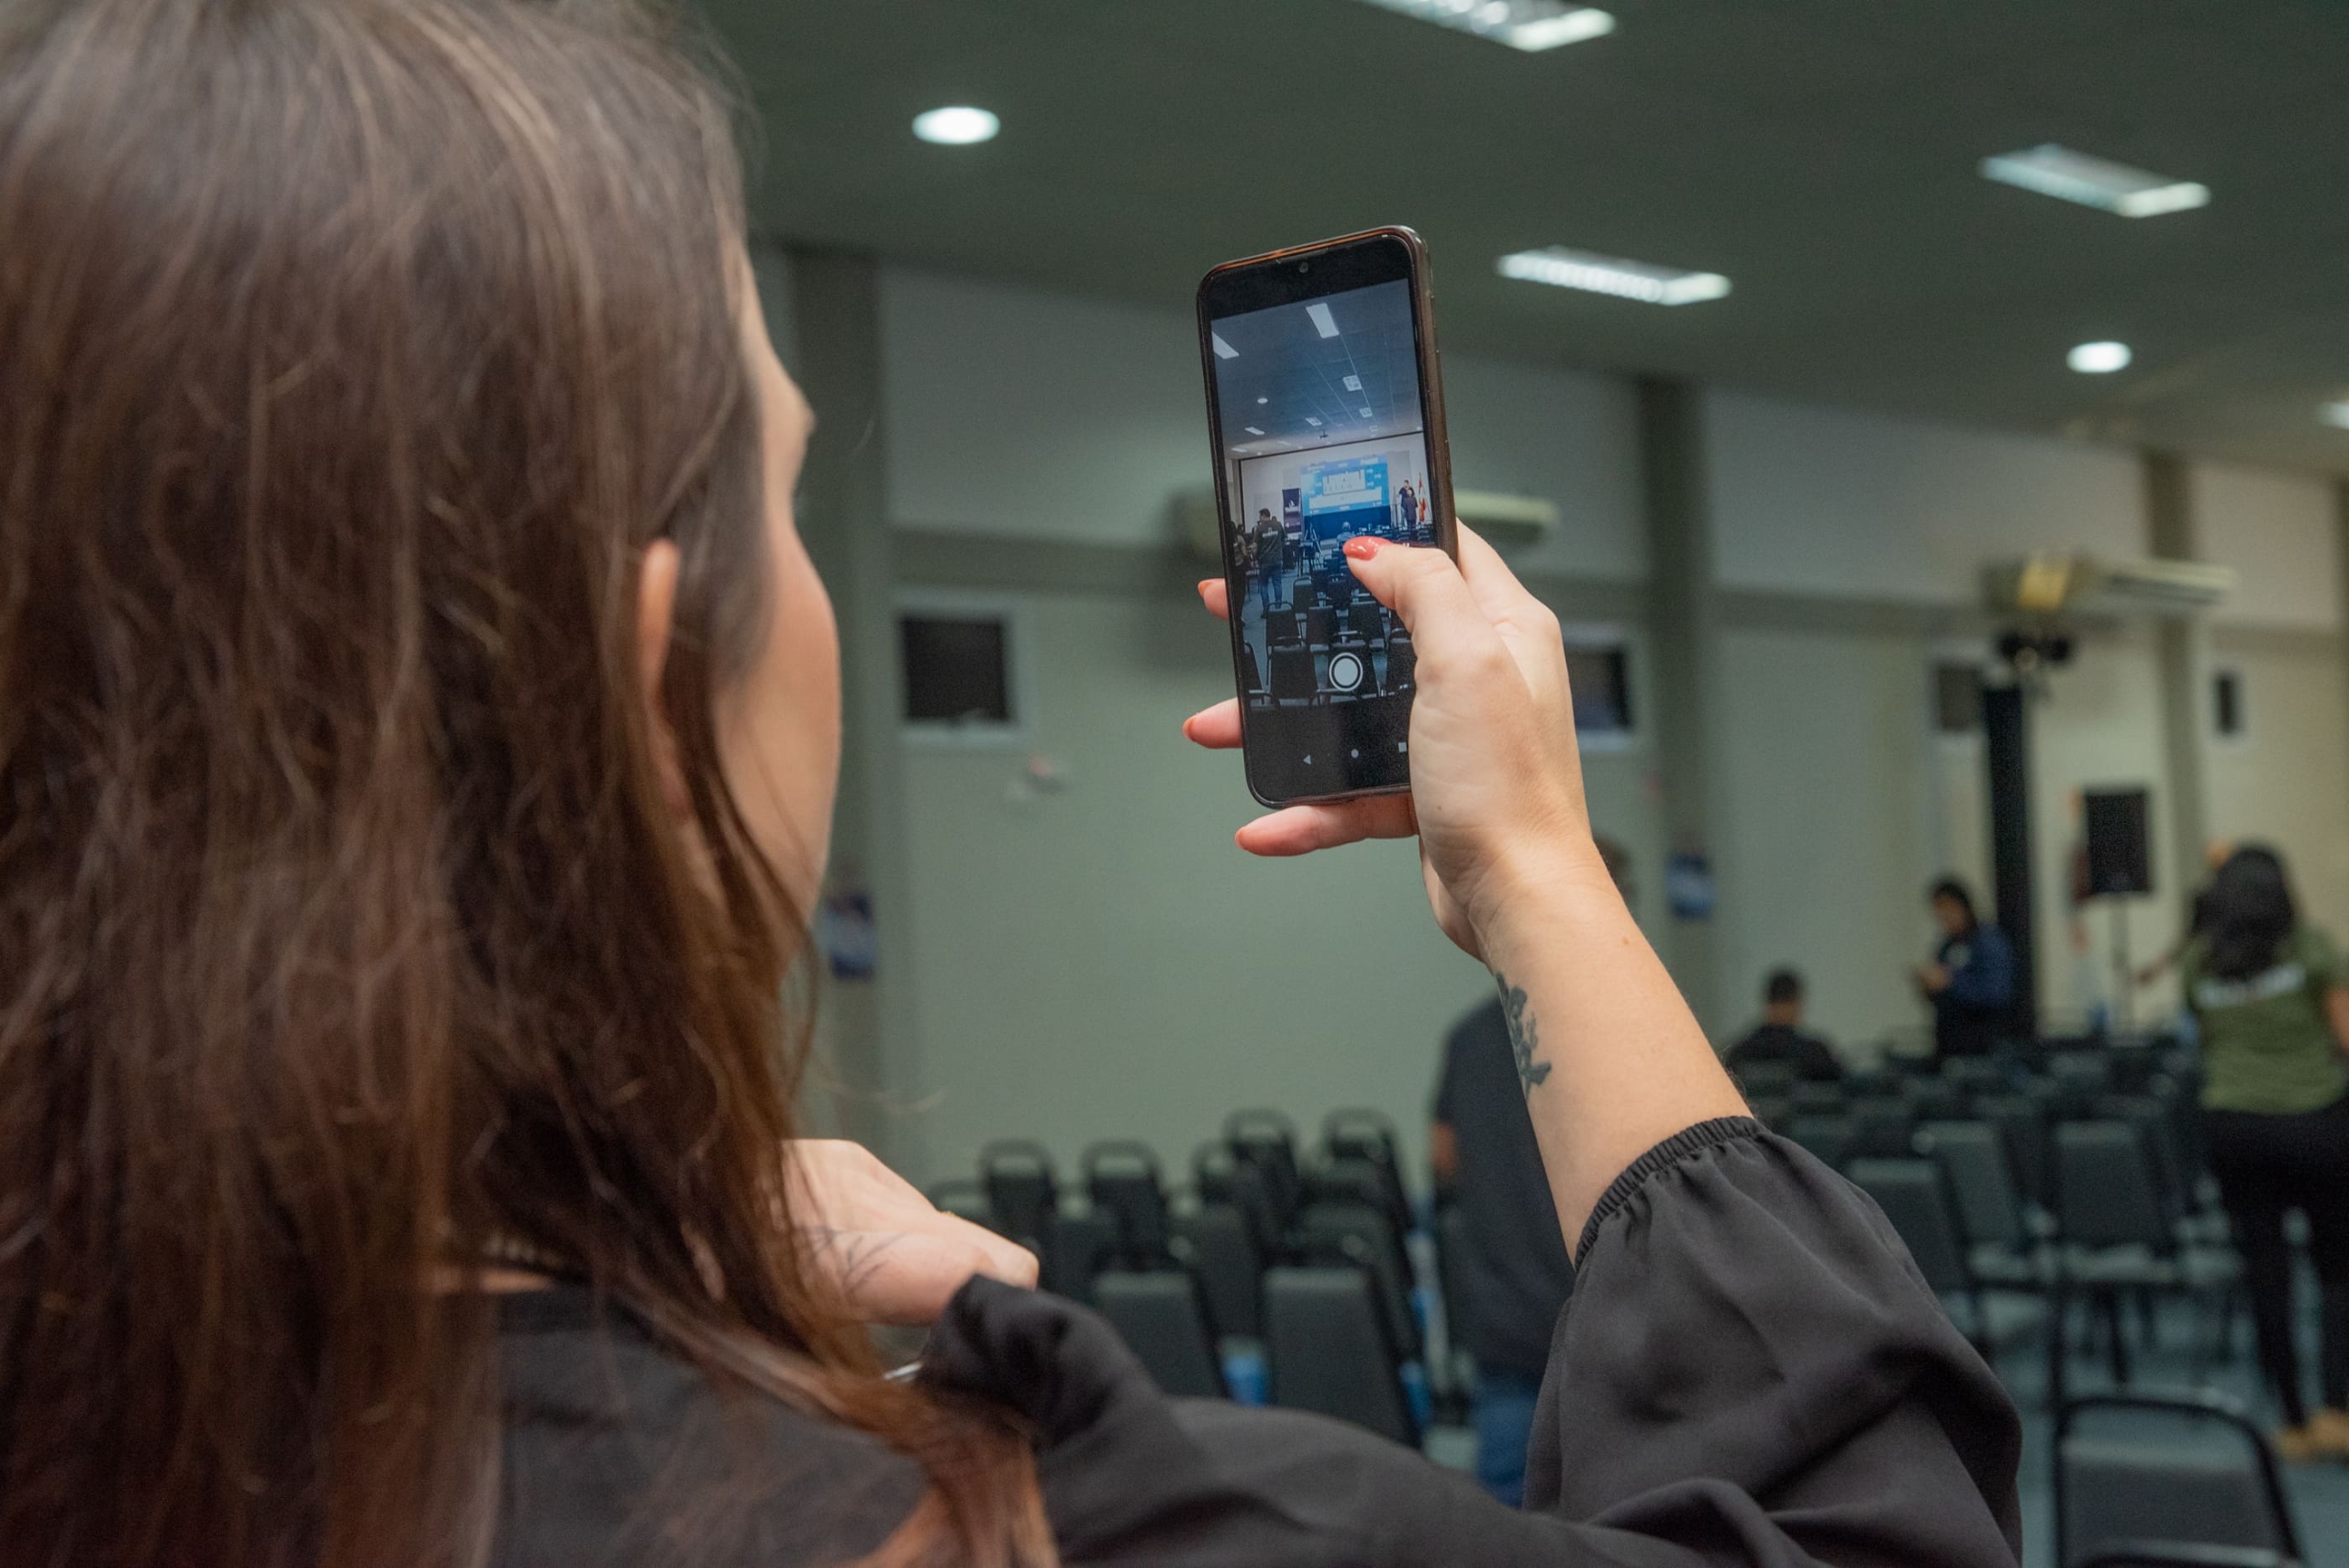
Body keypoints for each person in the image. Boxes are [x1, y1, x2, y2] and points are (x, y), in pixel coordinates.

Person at [0, 2, 2024, 1563]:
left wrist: (642, 1264)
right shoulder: (1048, 1525)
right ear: (644, 681)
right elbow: (1865, 1523)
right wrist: (1538, 871)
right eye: (789, 498)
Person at [1430, 836, 1630, 1507]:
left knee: (1507, 1521)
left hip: (1504, 1322)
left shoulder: (1467, 1039)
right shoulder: (1623, 1033)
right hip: (1609, 1324)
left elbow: (1443, 1159)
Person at [2182, 846, 2349, 1460]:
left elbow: (2205, 1038)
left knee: (2266, 1276)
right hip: (2316, 1124)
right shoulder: (2310, 948)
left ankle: (2293, 1421)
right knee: (2337, 1271)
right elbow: (2346, 1037)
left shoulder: (2200, 961)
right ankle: (2337, 1410)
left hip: (2235, 1130)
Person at [1917, 876, 2017, 1059]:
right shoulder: (1946, 947)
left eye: (1947, 909)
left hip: (1983, 1045)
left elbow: (1995, 993)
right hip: (1950, 1044)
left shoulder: (1987, 942)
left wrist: (1952, 982)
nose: (1944, 917)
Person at [1725, 970, 1845, 1084]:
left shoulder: (1740, 1053)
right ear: (1796, 1002)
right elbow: (1844, 1084)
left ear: (1767, 1002)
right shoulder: (1815, 1054)